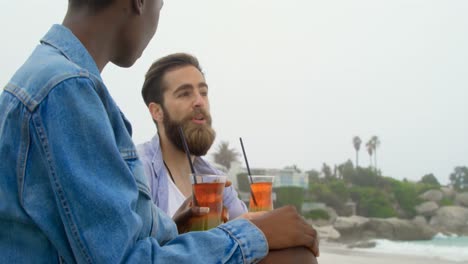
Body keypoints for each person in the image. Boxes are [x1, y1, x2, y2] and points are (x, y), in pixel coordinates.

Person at [0, 0, 319, 263]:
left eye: (203, 92)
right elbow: (123, 259)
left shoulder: (54, 79)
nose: (199, 102)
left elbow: (105, 231)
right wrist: (254, 235)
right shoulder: (66, 90)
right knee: (296, 257)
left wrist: (169, 227)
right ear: (139, 3)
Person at [137, 53, 247, 220]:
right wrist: (175, 231)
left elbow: (252, 231)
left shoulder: (216, 181)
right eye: (184, 94)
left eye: (203, 92)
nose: (199, 101)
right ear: (157, 112)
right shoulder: (137, 172)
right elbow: (129, 245)